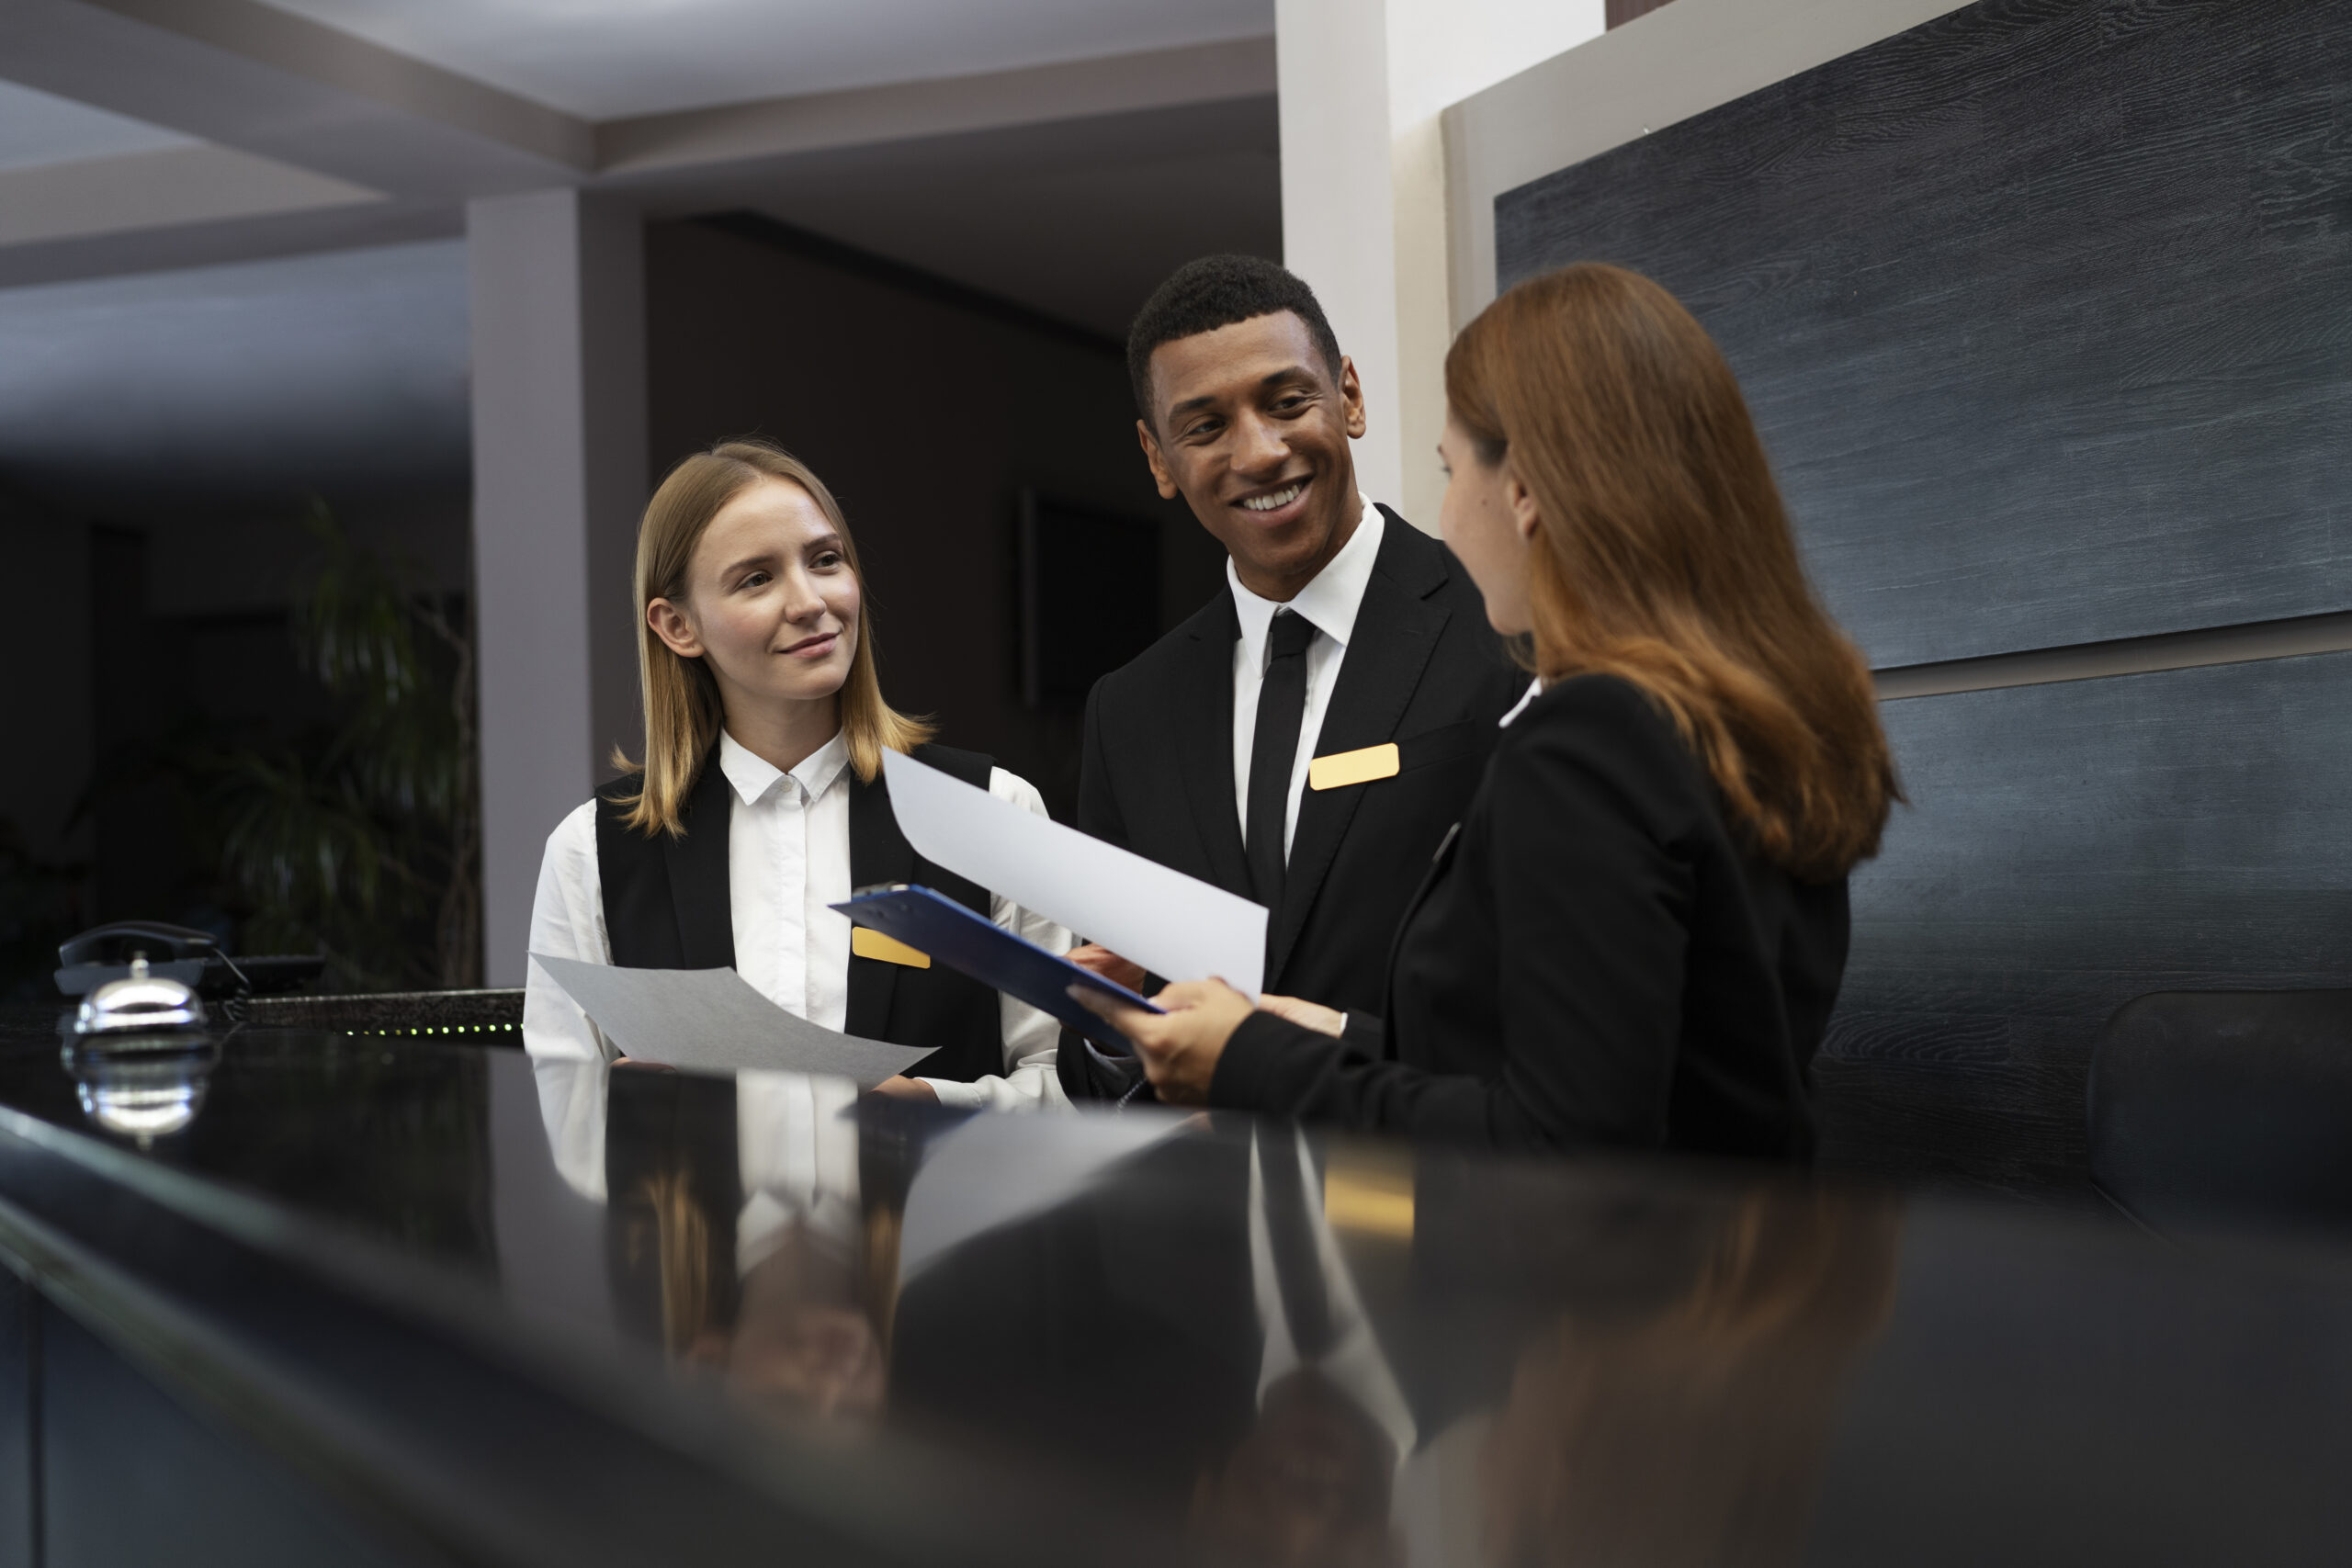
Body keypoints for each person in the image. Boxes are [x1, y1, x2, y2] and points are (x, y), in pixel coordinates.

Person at [1078, 263, 1900, 1158]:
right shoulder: (1742, 699)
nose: (1445, 505)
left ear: (1523, 494)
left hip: (1591, 1282)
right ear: (1157, 453)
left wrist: (1253, 1059)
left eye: (1448, 467)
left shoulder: (1591, 732)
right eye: (1204, 425)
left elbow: (1560, 1136)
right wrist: (1301, 1036)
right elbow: (1624, 1066)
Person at [1062, 255, 1523, 1101]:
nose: (1261, 452)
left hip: (1454, 1195)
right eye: (1204, 427)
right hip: (1216, 1217)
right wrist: (1119, 1028)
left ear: (1347, 395)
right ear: (1157, 457)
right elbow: (1102, 1071)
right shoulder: (1129, 710)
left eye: (1287, 402)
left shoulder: (1505, 625)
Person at [525, 438, 1069, 1109]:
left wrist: (935, 1102)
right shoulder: (590, 850)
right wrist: (619, 1118)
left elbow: (1067, 1085)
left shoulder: (994, 812)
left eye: (825, 560)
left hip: (940, 1214)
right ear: (677, 625)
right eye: (756, 578)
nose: (810, 600)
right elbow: (559, 1113)